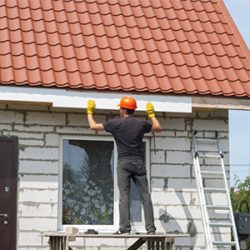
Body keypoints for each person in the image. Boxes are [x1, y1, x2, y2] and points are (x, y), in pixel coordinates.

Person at [86, 96, 162, 234]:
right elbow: (157, 127)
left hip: (124, 163)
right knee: (145, 195)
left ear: (123, 109)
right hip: (138, 162)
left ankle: (125, 228)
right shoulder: (141, 123)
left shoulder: (116, 123)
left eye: (120, 108)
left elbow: (93, 126)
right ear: (133, 110)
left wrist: (89, 112)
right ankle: (150, 229)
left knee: (124, 196)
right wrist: (151, 115)